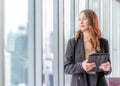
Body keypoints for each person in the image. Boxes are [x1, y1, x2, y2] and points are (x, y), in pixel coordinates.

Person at [64, 9, 111, 86]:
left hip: (99, 83)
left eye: (84, 18)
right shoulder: (73, 43)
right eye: (79, 19)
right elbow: (66, 67)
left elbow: (108, 68)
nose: (81, 22)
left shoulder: (103, 43)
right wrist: (81, 66)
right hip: (79, 83)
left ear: (92, 21)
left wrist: (108, 68)